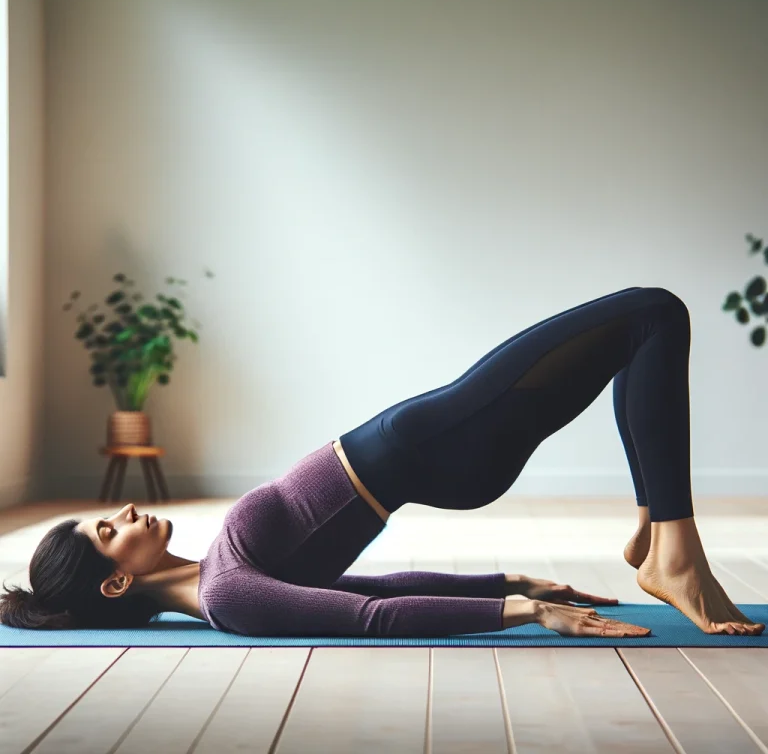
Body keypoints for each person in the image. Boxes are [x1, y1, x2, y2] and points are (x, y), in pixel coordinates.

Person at [1, 286, 762, 638]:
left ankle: (656, 531)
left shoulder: (217, 579)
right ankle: (671, 548)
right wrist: (527, 615)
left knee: (640, 333)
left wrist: (514, 581)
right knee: (654, 313)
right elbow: (372, 616)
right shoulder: (228, 597)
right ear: (115, 582)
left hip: (431, 441)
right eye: (108, 532)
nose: (124, 512)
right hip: (434, 446)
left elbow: (368, 585)